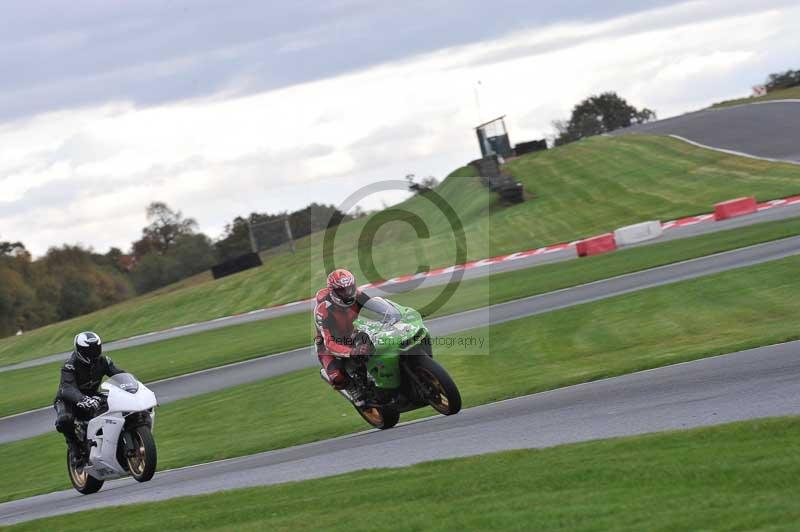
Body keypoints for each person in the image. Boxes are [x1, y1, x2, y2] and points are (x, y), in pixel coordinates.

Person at [53, 331, 125, 465]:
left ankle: (114, 443)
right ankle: (74, 449)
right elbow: (67, 388)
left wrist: (131, 386)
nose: (94, 353)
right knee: (65, 419)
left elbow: (119, 375)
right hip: (68, 400)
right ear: (80, 350)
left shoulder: (103, 361)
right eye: (89, 350)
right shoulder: (70, 365)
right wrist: (82, 399)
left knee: (117, 405)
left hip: (92, 396)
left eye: (96, 349)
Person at [314, 269, 373, 402]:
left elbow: (378, 309)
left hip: (353, 334)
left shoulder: (358, 295)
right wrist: (352, 352)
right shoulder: (323, 310)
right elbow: (329, 343)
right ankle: (353, 388)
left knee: (374, 344)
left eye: (350, 288)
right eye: (342, 291)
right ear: (332, 291)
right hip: (329, 344)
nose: (348, 293)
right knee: (337, 377)